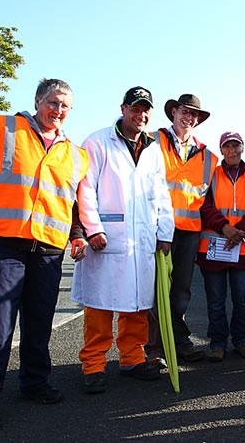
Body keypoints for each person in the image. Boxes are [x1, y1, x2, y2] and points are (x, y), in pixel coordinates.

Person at [0, 78, 89, 432]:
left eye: (65, 106)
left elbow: (70, 201)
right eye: (53, 102)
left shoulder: (74, 154)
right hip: (4, 244)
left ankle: (34, 382)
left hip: (48, 248)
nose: (58, 111)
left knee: (40, 321)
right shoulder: (3, 129)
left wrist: (76, 234)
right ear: (38, 100)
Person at [70, 86, 174, 394]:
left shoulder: (154, 148)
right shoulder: (98, 142)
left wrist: (164, 233)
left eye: (145, 110)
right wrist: (93, 228)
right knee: (100, 305)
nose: (140, 115)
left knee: (137, 304)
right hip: (107, 237)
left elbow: (161, 194)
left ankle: (131, 358)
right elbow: (85, 188)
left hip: (142, 238)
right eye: (135, 108)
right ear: (123, 108)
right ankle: (93, 364)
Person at [145, 94, 218, 365]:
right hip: (156, 229)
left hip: (189, 231)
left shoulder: (209, 157)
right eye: (185, 112)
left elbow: (208, 199)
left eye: (194, 115)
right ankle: (154, 348)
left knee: (181, 291)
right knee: (155, 291)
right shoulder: (151, 141)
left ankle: (178, 341)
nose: (189, 118)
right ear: (173, 112)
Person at [197, 131, 245, 362]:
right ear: (221, 150)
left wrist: (240, 232)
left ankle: (242, 340)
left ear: (243, 148)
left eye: (236, 146)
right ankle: (217, 343)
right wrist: (224, 227)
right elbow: (204, 206)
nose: (232, 151)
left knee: (243, 298)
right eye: (227, 147)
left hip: (243, 248)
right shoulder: (211, 175)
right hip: (214, 247)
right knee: (216, 300)